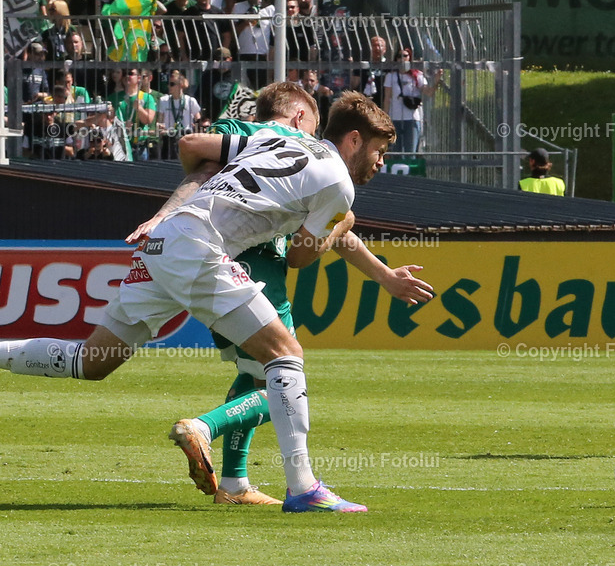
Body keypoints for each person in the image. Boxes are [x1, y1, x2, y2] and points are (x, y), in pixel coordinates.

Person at [0, 91, 398, 513]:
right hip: (201, 247)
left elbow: (198, 154)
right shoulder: (339, 181)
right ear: (353, 139)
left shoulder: (278, 139)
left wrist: (171, 210)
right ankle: (303, 487)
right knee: (286, 356)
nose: (380, 162)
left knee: (91, 361)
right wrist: (344, 224)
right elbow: (298, 259)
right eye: (378, 151)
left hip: (166, 240)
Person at [129, 84, 433, 505]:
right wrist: (169, 211)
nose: (381, 162)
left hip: (217, 254)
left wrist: (382, 275)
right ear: (297, 115)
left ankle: (234, 485)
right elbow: (301, 251)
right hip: (243, 261)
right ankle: (216, 435)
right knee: (284, 366)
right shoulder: (261, 133)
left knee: (256, 372)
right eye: (379, 151)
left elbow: (335, 226)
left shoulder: (290, 148)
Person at [383, 47, 439, 154]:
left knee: (411, 152)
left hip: (412, 118)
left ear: (410, 58)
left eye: (405, 56)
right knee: (395, 152)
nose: (402, 59)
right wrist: (385, 119)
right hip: (395, 118)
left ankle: (409, 171)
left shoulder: (417, 75)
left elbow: (429, 92)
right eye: (399, 56)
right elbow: (387, 98)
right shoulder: (391, 76)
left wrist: (436, 81)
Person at [157, 69, 200, 160]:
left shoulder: (190, 101)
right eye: (168, 84)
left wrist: (196, 127)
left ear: (180, 85)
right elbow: (160, 120)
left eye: (172, 84)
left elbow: (198, 119)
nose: (169, 86)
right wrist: (160, 126)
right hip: (169, 137)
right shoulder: (164, 100)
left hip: (185, 135)